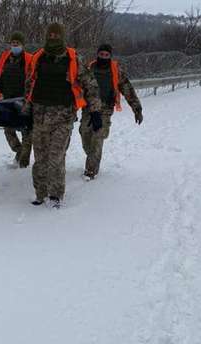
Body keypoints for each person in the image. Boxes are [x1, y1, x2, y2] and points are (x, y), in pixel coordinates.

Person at [24, 23, 102, 209]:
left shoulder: (73, 58)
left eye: (56, 35)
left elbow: (90, 85)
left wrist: (95, 110)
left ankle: (55, 195)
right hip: (40, 115)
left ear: (62, 37)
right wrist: (26, 111)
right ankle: (40, 193)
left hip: (63, 116)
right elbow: (29, 86)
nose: (53, 38)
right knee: (40, 158)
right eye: (50, 35)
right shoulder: (38, 57)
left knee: (56, 157)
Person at [79, 44, 143, 180]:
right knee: (85, 135)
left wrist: (137, 108)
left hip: (105, 109)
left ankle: (91, 170)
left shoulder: (116, 70)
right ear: (97, 55)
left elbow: (128, 89)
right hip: (88, 108)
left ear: (110, 56)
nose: (103, 57)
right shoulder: (89, 69)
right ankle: (92, 156)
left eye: (106, 55)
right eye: (101, 54)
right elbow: (78, 87)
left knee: (98, 137)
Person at [0, 32, 34, 168]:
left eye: (17, 43)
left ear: (23, 45)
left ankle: (23, 163)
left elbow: (35, 78)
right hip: (6, 99)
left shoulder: (30, 59)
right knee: (8, 129)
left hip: (24, 101)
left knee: (27, 131)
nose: (15, 45)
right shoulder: (4, 57)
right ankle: (19, 151)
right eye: (13, 43)